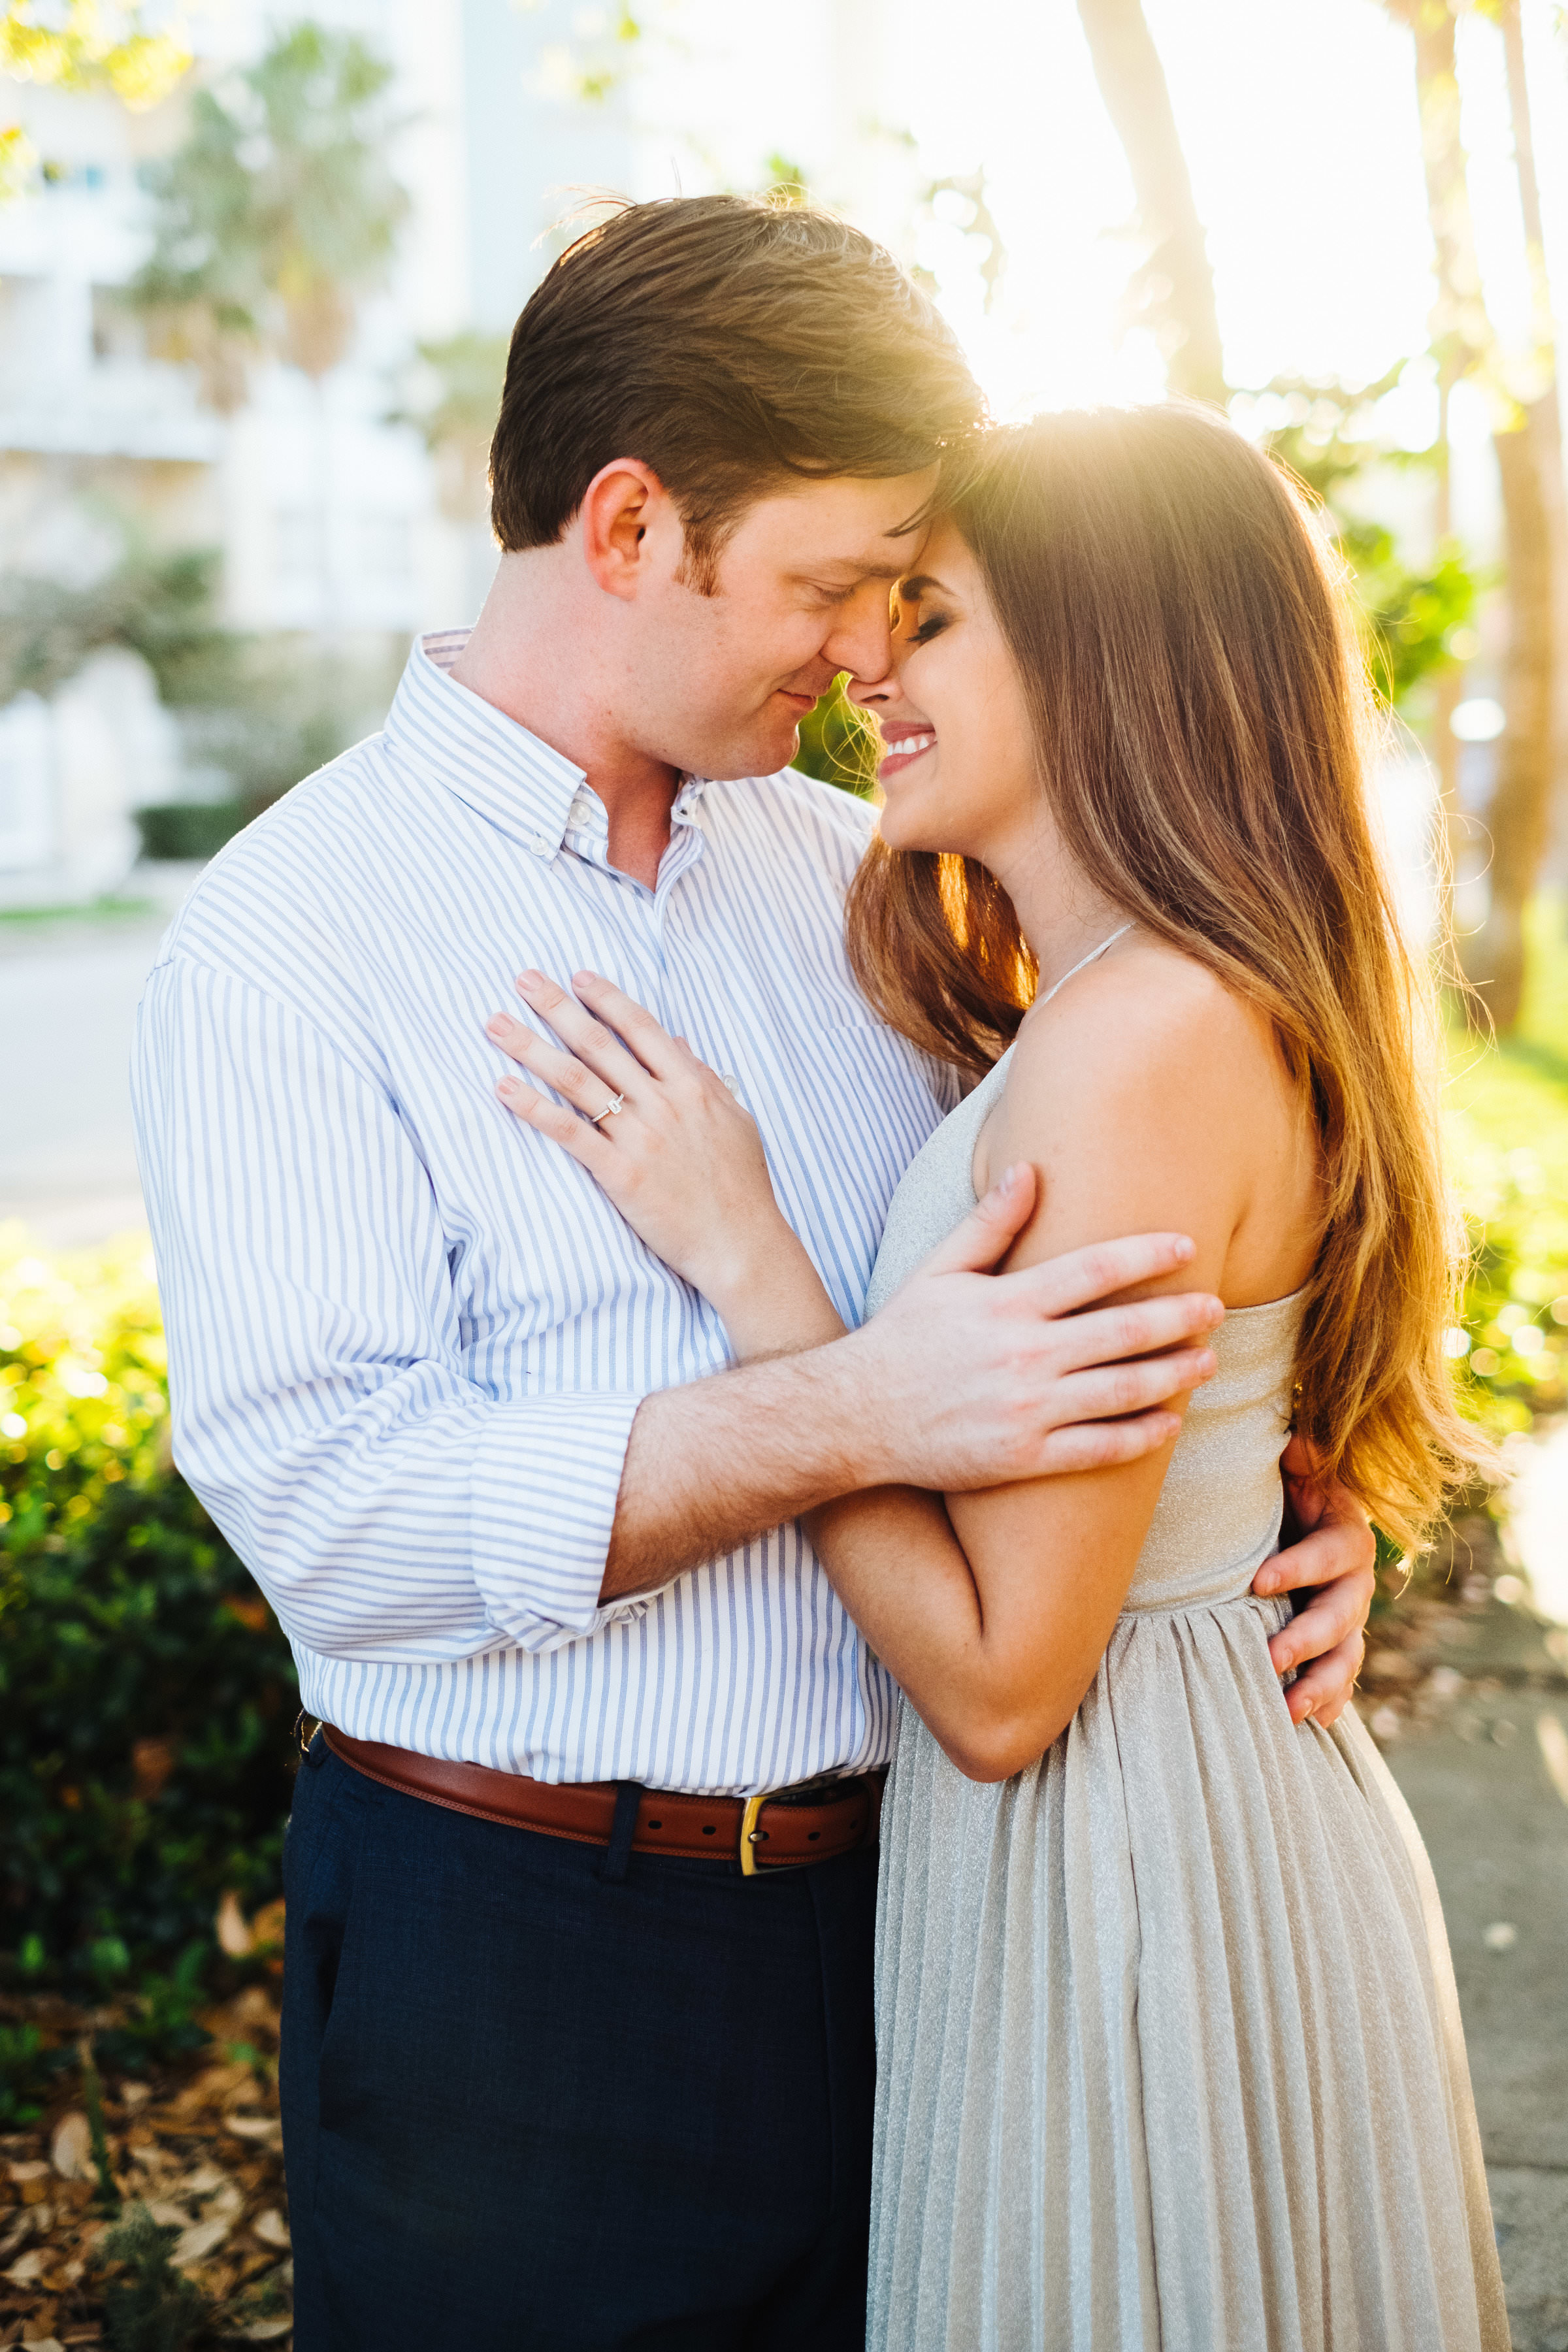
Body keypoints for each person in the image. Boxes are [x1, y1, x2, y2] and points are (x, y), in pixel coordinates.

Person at [132, 201, 1375, 2349]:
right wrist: (851, 1406)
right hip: (529, 1969)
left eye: (906, 597)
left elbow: (1124, 1239)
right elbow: (339, 1516)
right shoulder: (290, 937)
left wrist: (1261, 1505)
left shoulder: (866, 879)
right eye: (833, 584)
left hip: (937, 1934)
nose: (865, 651)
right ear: (632, 527)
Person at [490, 404, 1508, 2349]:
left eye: (934, 617)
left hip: (1127, 1854)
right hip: (1169, 1818)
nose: (871, 667)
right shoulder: (1130, 1007)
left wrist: (750, 1256)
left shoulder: (1136, 1042)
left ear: (1111, 650)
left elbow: (1000, 1684)